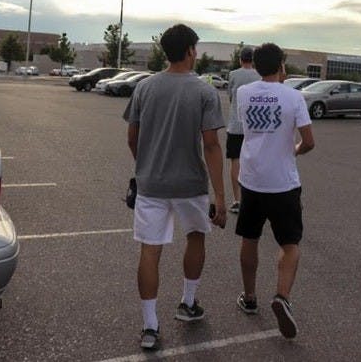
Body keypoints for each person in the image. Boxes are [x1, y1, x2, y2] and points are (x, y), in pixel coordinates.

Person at [123, 23, 227, 351]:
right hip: (191, 185)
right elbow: (211, 145)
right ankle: (187, 303)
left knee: (150, 251)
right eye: (195, 49)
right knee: (195, 238)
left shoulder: (144, 88)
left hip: (151, 185)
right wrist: (221, 196)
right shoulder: (204, 92)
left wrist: (146, 165)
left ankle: (150, 326)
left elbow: (132, 136)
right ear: (189, 51)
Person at [234, 43, 314, 339]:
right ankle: (281, 296)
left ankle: (250, 296)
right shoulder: (294, 97)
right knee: (290, 243)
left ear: (255, 66)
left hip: (252, 180)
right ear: (282, 65)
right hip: (283, 182)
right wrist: (293, 150)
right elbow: (309, 141)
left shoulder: (244, 93)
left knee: (249, 237)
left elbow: (250, 129)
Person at [226, 46, 261, 214]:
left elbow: (231, 96)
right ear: (252, 60)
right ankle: (254, 199)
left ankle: (237, 200)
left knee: (235, 161)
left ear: (240, 59)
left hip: (235, 125)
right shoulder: (258, 75)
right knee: (254, 161)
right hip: (254, 125)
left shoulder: (233, 75)